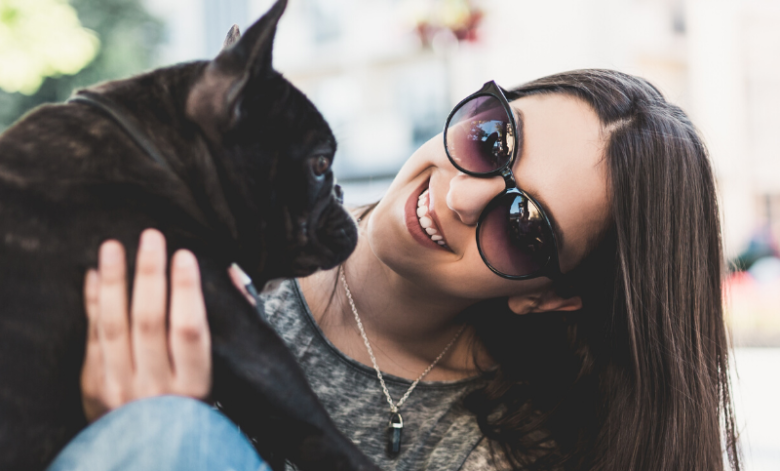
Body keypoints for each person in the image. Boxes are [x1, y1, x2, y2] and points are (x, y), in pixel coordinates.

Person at [49, 69, 742, 471]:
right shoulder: (222, 222)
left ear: (548, 298)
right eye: (492, 137)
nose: (462, 195)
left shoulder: (485, 454)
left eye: (525, 225)